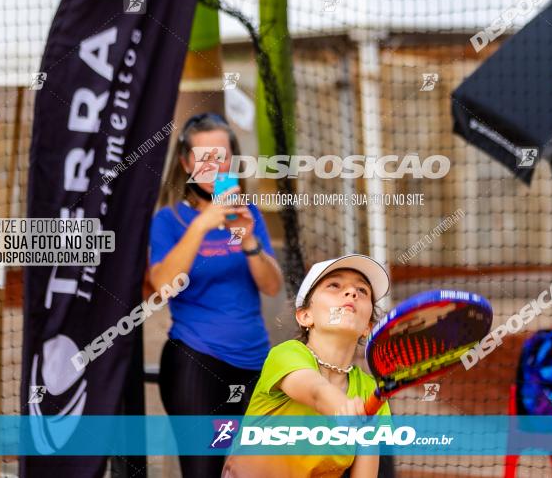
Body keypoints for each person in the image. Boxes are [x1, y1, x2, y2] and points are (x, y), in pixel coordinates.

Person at [149, 112, 284, 477]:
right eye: (204, 157)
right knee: (204, 471)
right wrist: (202, 224)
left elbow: (272, 286)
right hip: (196, 362)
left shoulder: (247, 213)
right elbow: (162, 286)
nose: (214, 165)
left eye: (222, 156)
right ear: (186, 163)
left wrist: (250, 239)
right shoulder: (168, 221)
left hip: (255, 362)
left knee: (254, 470)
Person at [222, 254, 392, 478]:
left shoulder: (371, 392)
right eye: (334, 285)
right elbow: (315, 391)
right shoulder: (286, 354)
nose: (352, 293)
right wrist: (344, 408)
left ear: (367, 328)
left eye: (362, 291)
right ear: (305, 316)